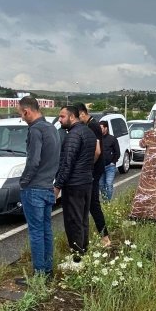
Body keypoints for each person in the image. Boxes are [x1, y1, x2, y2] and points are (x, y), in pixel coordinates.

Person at [16, 96, 59, 281]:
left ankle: (39, 274)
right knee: (46, 230)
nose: (21, 118)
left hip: (34, 188)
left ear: (27, 111)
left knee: (36, 232)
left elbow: (33, 161)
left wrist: (23, 182)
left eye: (21, 114)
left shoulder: (35, 130)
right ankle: (47, 271)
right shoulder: (52, 128)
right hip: (48, 186)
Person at [55, 104, 95, 256]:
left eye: (62, 116)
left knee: (73, 221)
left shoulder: (73, 135)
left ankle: (77, 257)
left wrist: (58, 186)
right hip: (86, 182)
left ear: (72, 117)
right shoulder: (88, 132)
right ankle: (84, 251)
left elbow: (67, 163)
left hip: (74, 184)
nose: (59, 120)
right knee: (83, 219)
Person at [86, 117, 116, 248]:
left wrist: (89, 164)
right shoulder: (93, 127)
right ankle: (104, 238)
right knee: (94, 205)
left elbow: (97, 151)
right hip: (96, 172)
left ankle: (103, 238)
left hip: (94, 172)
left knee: (92, 205)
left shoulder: (92, 127)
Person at [97, 118, 121, 202]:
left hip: (110, 166)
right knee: (101, 185)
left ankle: (108, 202)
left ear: (106, 128)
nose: (99, 130)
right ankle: (105, 200)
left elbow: (117, 152)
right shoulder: (97, 139)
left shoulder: (112, 139)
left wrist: (113, 162)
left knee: (109, 183)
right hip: (100, 167)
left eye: (101, 128)